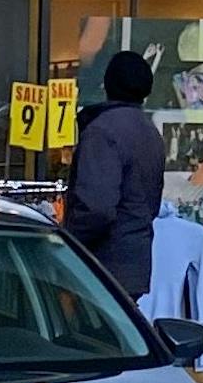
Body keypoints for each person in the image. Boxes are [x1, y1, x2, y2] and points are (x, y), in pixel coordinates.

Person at [62, 51, 166, 298]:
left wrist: (66, 244)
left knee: (89, 335)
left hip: (101, 267)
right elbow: (151, 205)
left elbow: (96, 208)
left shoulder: (102, 132)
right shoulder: (150, 132)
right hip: (134, 263)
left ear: (107, 84)